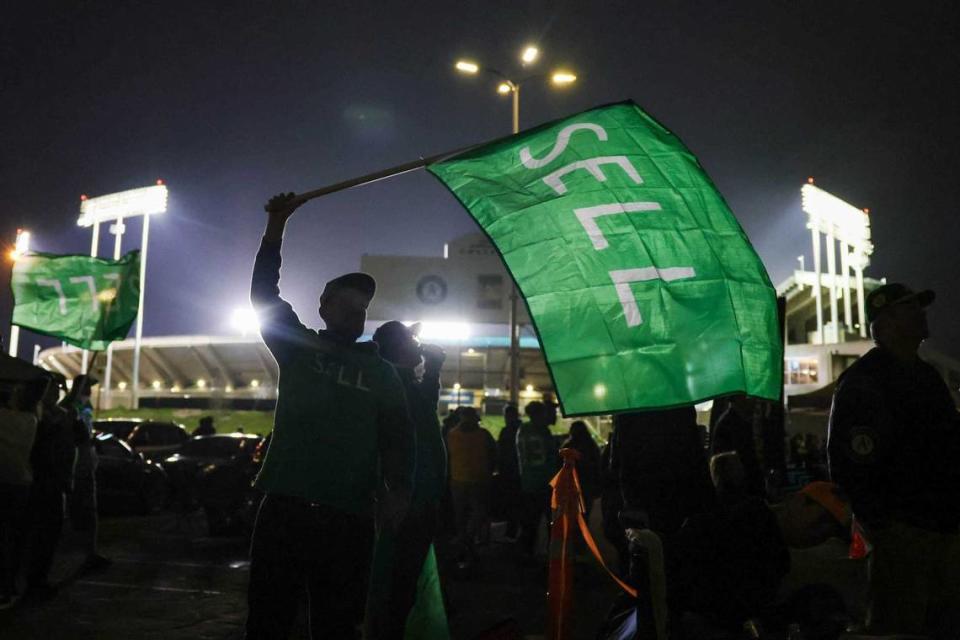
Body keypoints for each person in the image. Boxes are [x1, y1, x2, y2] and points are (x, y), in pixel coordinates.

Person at [245, 192, 416, 640]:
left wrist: (399, 491)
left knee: (337, 625)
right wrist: (277, 227)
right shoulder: (299, 347)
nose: (356, 315)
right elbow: (264, 293)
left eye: (362, 310)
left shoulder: (382, 373)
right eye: (347, 306)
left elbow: (399, 439)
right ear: (323, 306)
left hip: (349, 518)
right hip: (285, 506)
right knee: (268, 620)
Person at [827, 282, 960, 637]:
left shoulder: (927, 376)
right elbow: (850, 464)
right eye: (910, 308)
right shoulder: (864, 382)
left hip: (942, 529)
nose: (922, 314)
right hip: (903, 536)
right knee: (899, 627)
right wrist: (884, 527)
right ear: (886, 321)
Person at [366, 321, 447, 640]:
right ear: (397, 346)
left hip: (422, 500)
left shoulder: (405, 383)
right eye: (412, 339)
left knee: (406, 586)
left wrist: (433, 370)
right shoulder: (388, 382)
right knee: (394, 589)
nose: (418, 344)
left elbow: (425, 407)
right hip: (402, 503)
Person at [611, 407, 715, 540]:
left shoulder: (629, 413)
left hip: (648, 503)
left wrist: (630, 504)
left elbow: (620, 466)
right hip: (684, 499)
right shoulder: (681, 407)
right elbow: (695, 457)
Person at [23, 374, 76, 601]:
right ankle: (31, 582)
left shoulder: (63, 415)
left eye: (58, 388)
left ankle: (40, 578)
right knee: (35, 535)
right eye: (52, 387)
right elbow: (35, 444)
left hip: (58, 483)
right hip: (37, 483)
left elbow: (78, 442)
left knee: (51, 535)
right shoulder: (34, 412)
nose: (55, 391)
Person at [65, 374, 110, 574]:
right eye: (87, 386)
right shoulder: (70, 408)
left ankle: (90, 552)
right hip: (76, 466)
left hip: (86, 464)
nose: (90, 391)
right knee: (83, 512)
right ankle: (86, 553)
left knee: (88, 512)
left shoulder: (84, 408)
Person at [445, 406, 496, 565]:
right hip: (478, 482)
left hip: (458, 482)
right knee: (477, 515)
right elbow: (494, 454)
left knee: (461, 517)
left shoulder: (451, 435)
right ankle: (466, 544)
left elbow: (446, 457)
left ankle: (463, 544)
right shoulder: (484, 435)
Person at [515, 401, 559, 561]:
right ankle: (549, 556)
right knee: (550, 521)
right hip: (544, 482)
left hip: (527, 482)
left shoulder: (522, 429)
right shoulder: (542, 431)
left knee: (530, 522)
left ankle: (526, 553)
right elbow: (549, 456)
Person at [560, 420, 601, 518]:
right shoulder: (591, 446)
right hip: (587, 485)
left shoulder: (567, 446)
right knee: (585, 514)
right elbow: (597, 465)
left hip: (571, 486)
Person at [496, 403, 522, 539]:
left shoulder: (507, 431)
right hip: (519, 472)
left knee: (512, 503)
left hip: (510, 472)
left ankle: (511, 532)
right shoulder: (521, 428)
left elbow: (501, 452)